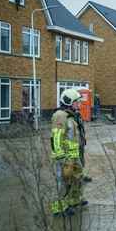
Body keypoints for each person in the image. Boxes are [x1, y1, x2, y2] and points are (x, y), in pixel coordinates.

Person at [50, 88, 88, 217]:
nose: (79, 104)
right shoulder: (60, 115)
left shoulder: (72, 115)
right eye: (77, 102)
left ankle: (74, 201)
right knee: (63, 181)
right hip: (65, 156)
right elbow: (56, 137)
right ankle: (59, 208)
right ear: (69, 101)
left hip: (74, 155)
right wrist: (60, 156)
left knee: (77, 178)